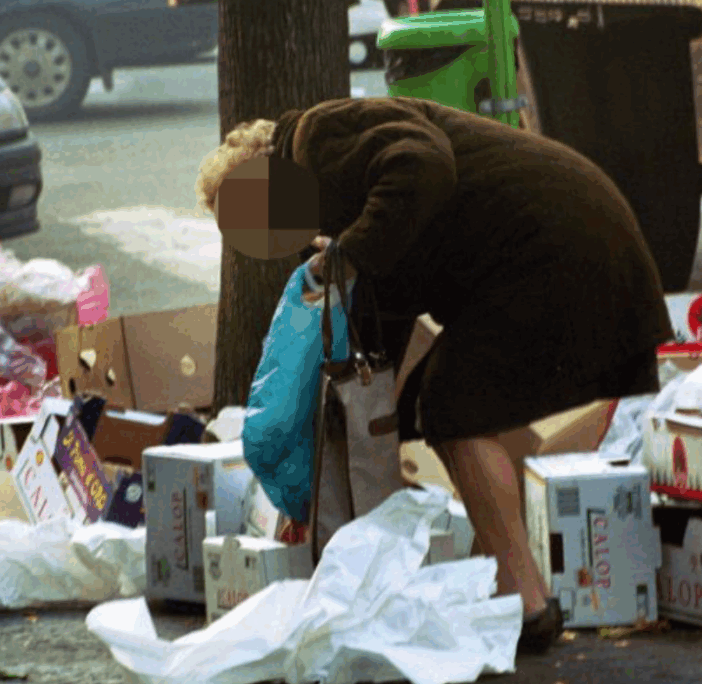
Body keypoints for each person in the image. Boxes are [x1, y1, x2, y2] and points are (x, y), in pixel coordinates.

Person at [196, 96, 674, 655]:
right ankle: (511, 579)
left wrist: (352, 255)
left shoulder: (316, 142)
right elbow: (392, 304)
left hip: (556, 244)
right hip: (554, 241)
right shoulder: (329, 196)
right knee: (441, 405)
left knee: (456, 407)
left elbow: (423, 164)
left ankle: (527, 604)